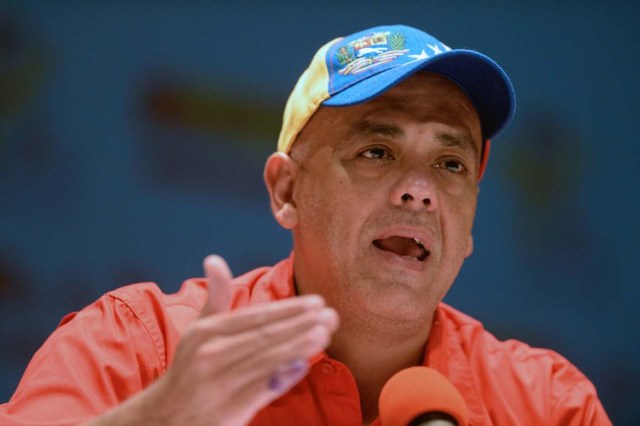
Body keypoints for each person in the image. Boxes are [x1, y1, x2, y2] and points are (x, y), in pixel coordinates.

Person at [0, 24, 610, 426]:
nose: (419, 192)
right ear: (286, 189)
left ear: (471, 221)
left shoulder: (548, 404)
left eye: (450, 164)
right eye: (377, 151)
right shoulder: (138, 349)